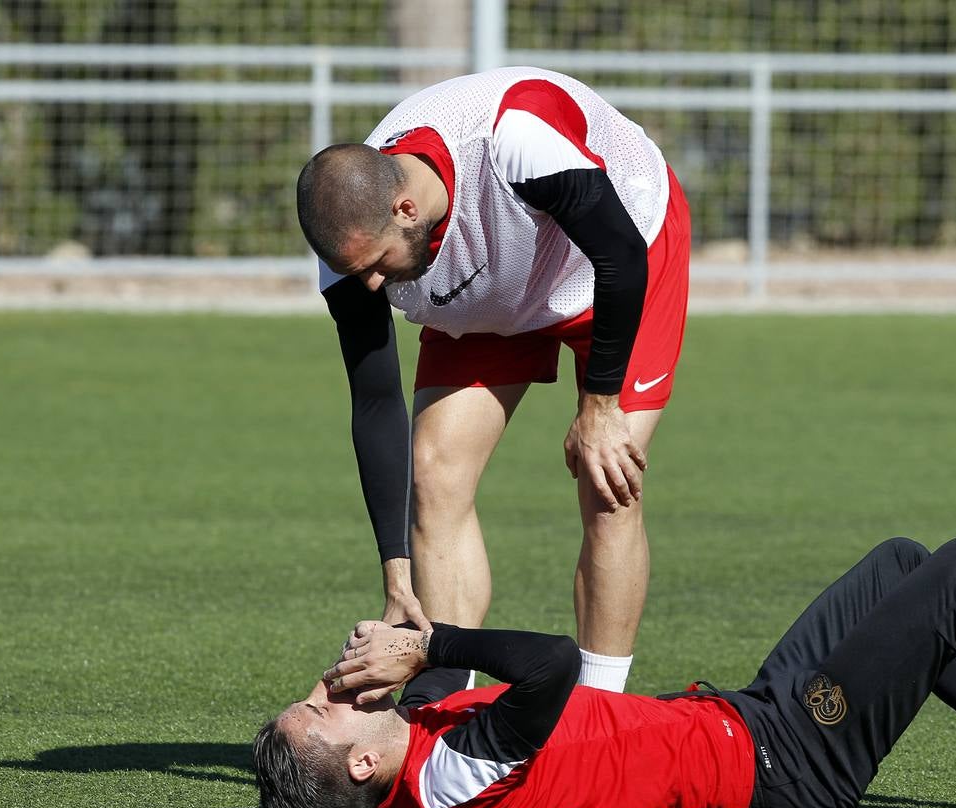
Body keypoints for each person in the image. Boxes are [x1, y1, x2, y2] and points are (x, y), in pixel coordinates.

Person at [253, 536, 956, 808]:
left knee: (898, 565)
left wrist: (401, 637)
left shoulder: (409, 741)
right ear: (370, 765)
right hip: (790, 761)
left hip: (748, 718)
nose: (331, 690)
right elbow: (548, 663)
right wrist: (430, 647)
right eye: (327, 713)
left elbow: (429, 672)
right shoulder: (446, 777)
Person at [295, 67, 691, 695]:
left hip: (616, 263)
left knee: (606, 479)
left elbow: (617, 256)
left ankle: (595, 713)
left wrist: (599, 407)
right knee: (435, 472)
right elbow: (375, 403)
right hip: (489, 281)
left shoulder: (514, 139)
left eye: (376, 267)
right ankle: (442, 700)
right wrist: (396, 574)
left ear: (405, 208)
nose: (372, 287)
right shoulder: (353, 247)